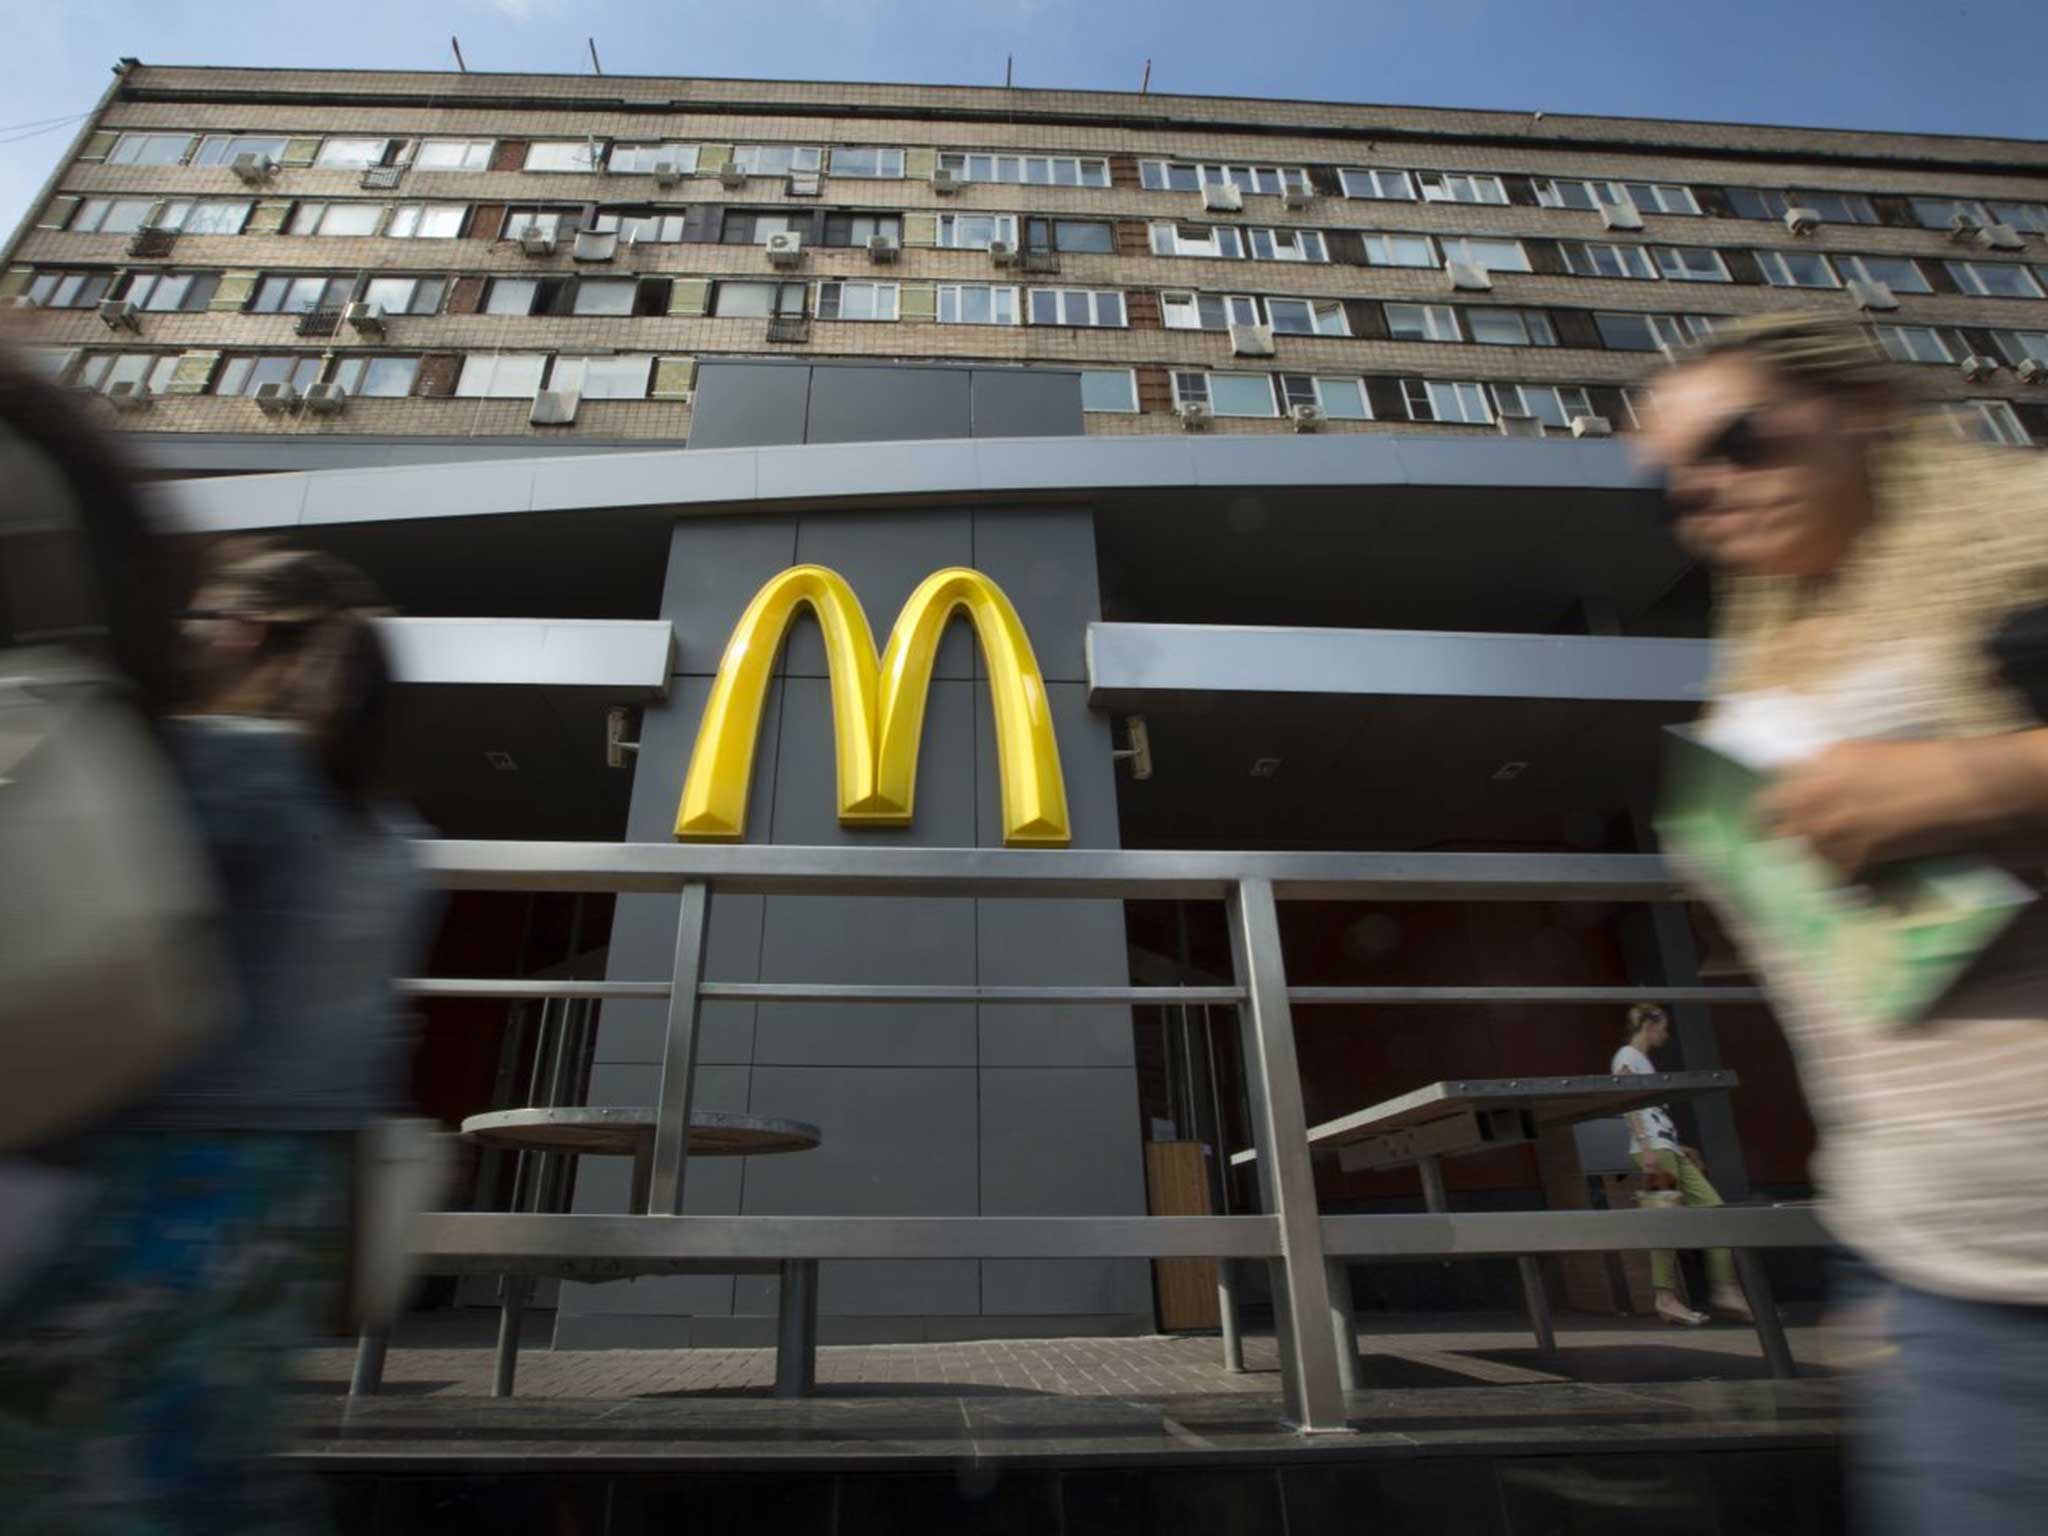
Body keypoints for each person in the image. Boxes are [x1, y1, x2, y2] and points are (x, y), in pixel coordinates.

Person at [1640, 312, 2048, 1536]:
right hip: (1936, 1267)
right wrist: (1870, 1248)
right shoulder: (1761, 659)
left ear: (1857, 412)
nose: (1706, 489)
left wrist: (1974, 781)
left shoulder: (2019, 541)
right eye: (1669, 483)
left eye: (1739, 440)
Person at [0, 363, 425, 1534]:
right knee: (202, 1469)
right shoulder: (388, 831)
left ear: (241, 631)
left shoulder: (227, 775)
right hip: (285, 1203)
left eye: (209, 615)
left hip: (143, 1180)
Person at [1611, 1003, 1750, 1326]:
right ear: (1649, 1025)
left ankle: (1725, 1289)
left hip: (1667, 1149)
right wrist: (1646, 1147)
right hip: (1655, 1152)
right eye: (1663, 1028)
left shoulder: (1643, 1061)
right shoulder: (1627, 1056)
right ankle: (1666, 1298)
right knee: (1665, 1223)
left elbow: (1653, 1114)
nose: (1666, 1035)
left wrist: (1679, 1147)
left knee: (1714, 1210)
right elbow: (1626, 1102)